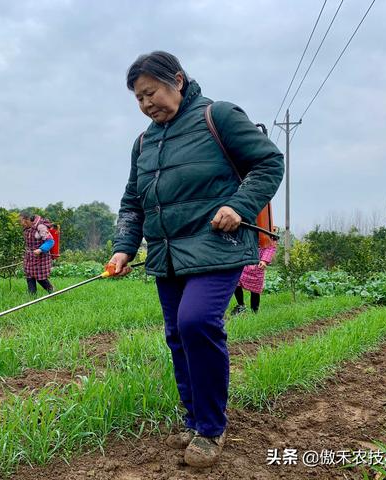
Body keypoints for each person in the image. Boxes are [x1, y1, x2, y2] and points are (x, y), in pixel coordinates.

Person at [107, 51, 284, 467]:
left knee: (197, 322)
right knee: (177, 335)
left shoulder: (217, 117)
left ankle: (210, 428)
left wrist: (240, 205)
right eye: (138, 98)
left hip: (216, 246)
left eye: (151, 92)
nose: (146, 103)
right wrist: (123, 247)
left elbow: (269, 161)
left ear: (178, 81)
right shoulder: (144, 142)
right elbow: (134, 201)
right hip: (167, 254)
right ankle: (194, 418)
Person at [232, 226, 279, 315]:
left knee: (255, 289)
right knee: (236, 282)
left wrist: (264, 260)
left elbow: (270, 248)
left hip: (258, 265)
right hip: (245, 262)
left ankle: (255, 311)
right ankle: (241, 305)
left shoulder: (267, 232)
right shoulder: (247, 228)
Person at [19, 212, 54, 296]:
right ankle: (32, 296)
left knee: (40, 278)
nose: (20, 223)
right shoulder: (27, 228)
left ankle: (52, 291)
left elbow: (50, 241)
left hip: (40, 258)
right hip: (30, 257)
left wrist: (40, 249)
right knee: (29, 276)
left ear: (26, 220)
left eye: (21, 221)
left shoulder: (40, 227)